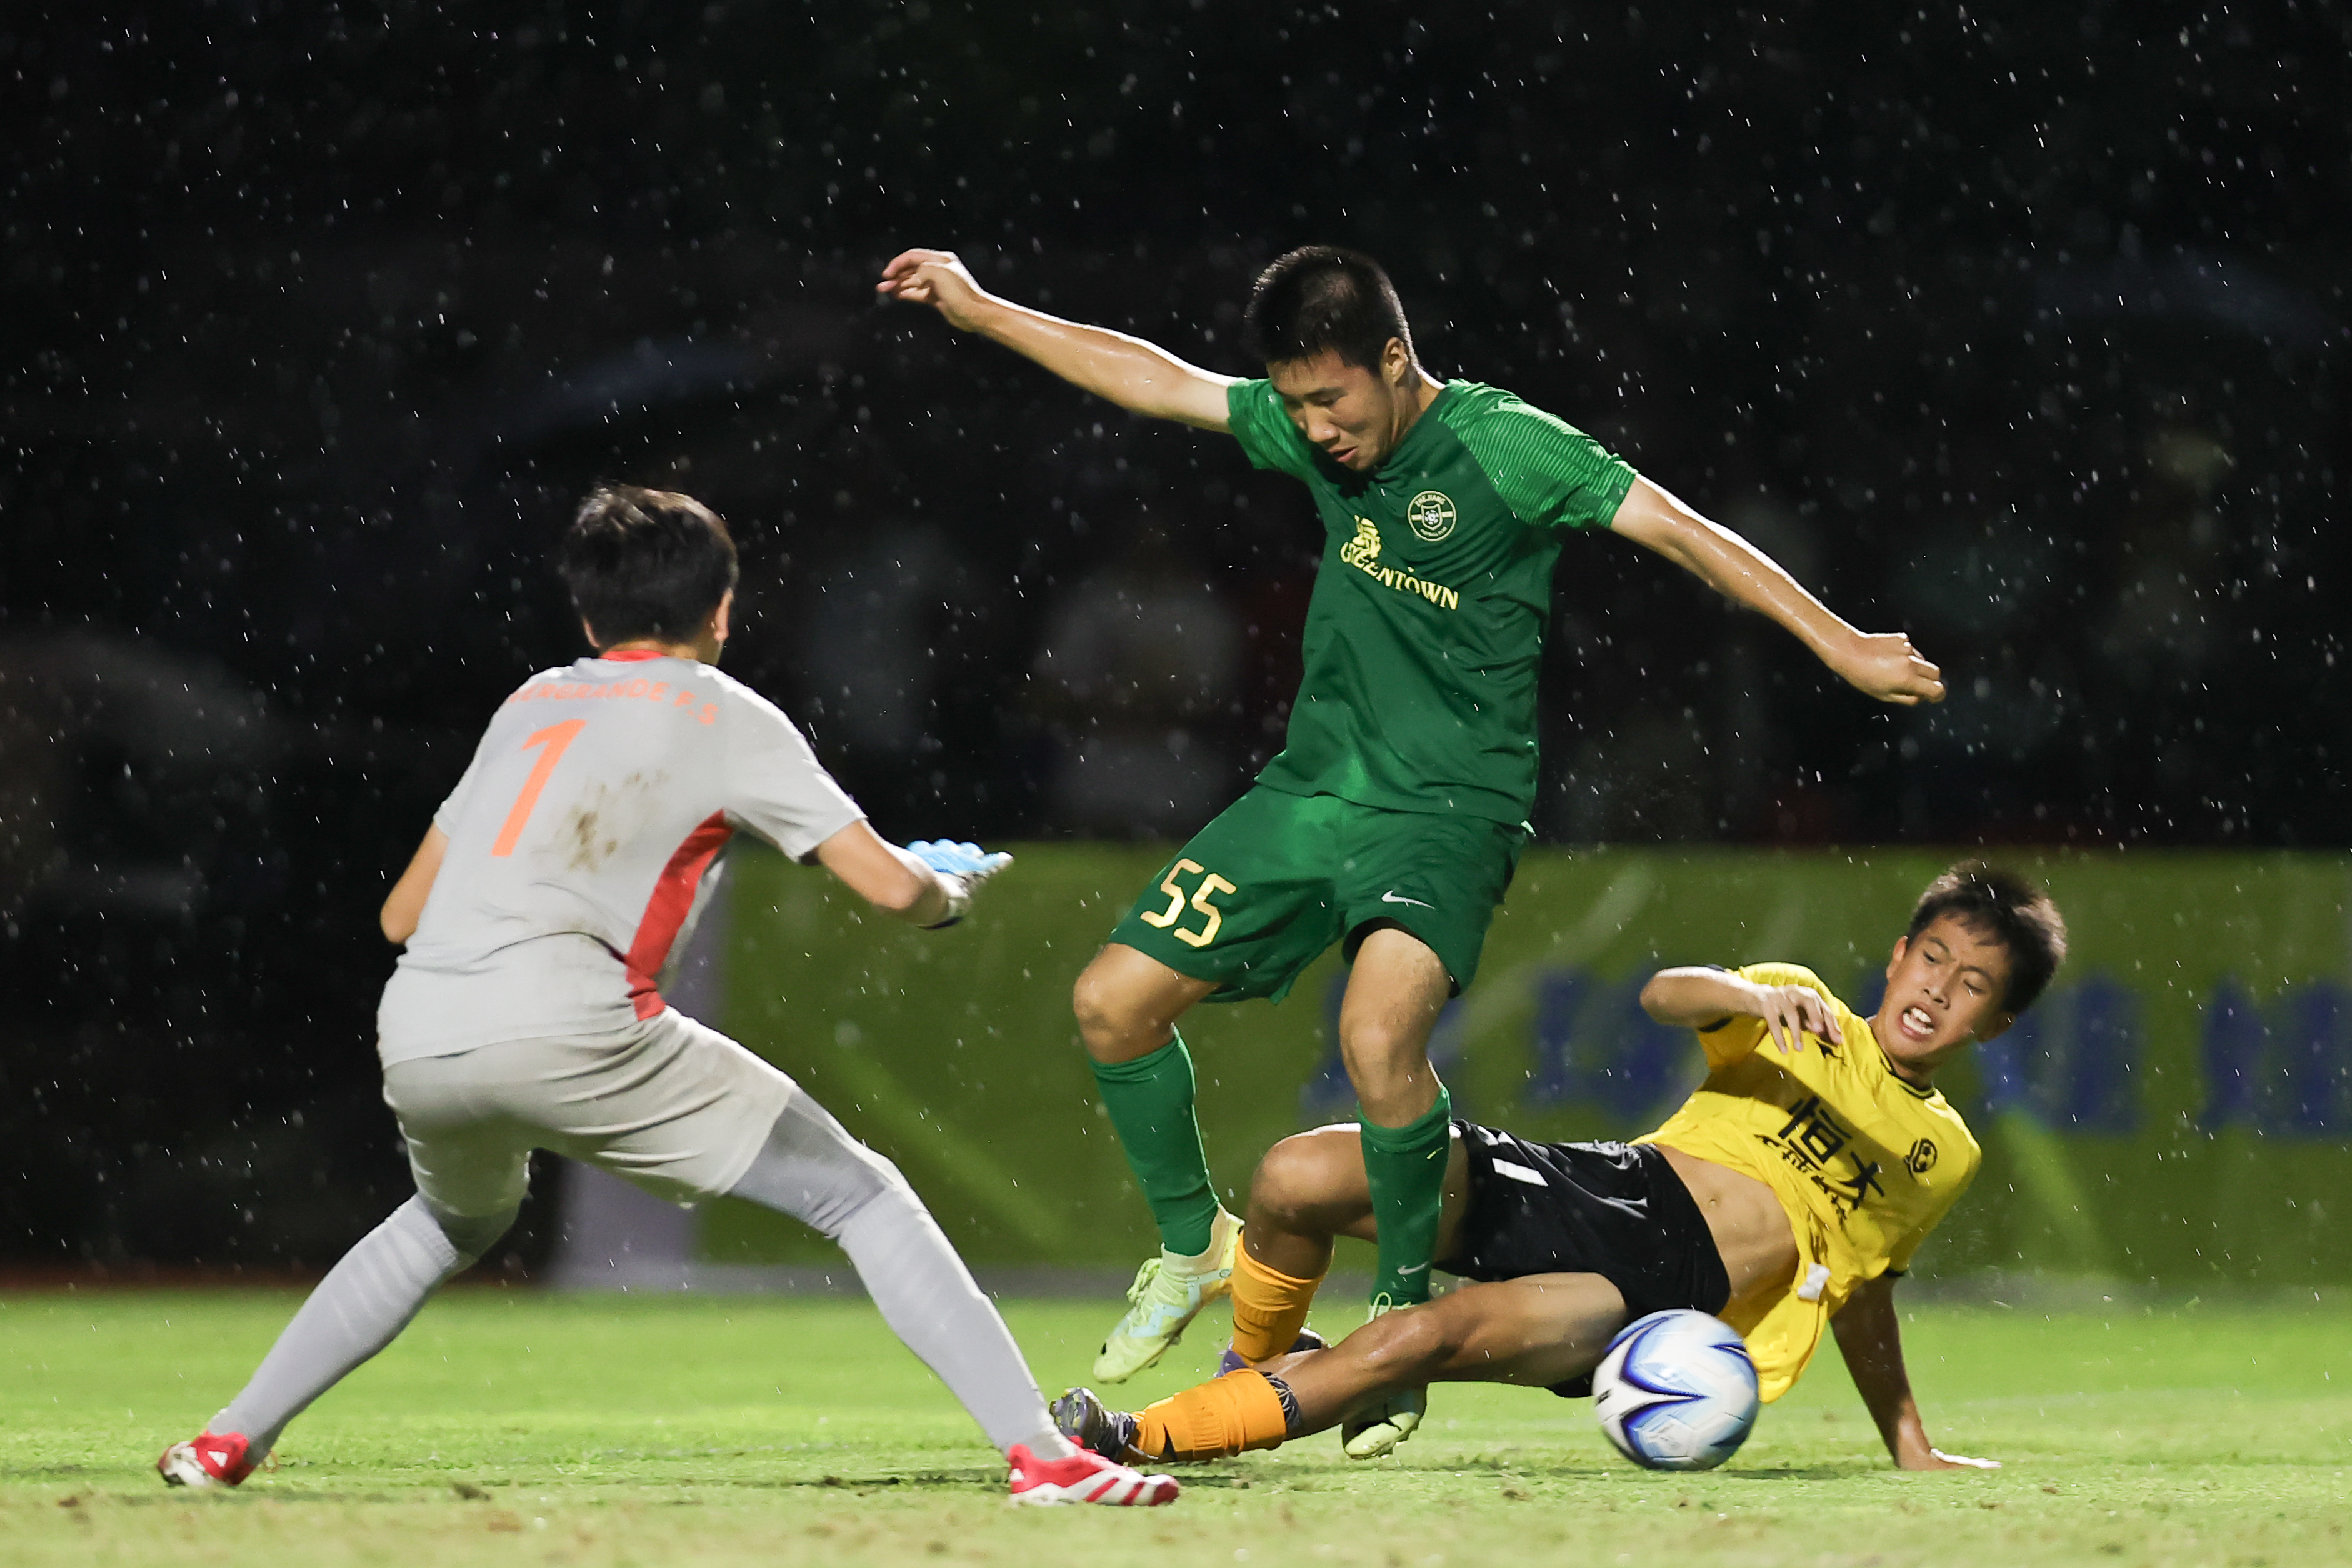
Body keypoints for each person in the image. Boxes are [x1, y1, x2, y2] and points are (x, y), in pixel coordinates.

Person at [878, 243, 1949, 1454]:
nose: (1314, 430)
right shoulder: (1312, 432)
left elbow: (1684, 531)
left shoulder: (1506, 446)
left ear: (1394, 360)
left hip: (1450, 808)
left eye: (1331, 400)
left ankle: (1395, 1304)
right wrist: (983, 310)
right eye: (1295, 404)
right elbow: (1159, 380)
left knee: (1376, 1036)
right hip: (1312, 791)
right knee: (1109, 1003)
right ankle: (1192, 1246)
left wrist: (1840, 643)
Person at [157, 486, 1179, 1509]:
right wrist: (942, 891)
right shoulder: (727, 713)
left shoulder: (532, 702)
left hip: (421, 1023)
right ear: (722, 608)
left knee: (447, 1221)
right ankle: (1043, 1455)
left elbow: (399, 914)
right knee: (860, 1194)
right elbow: (888, 887)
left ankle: (226, 1438)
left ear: (587, 614)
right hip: (574, 1016)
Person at [1050, 862, 2063, 1471]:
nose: (1942, 987)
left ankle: (1133, 1437)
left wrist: (1909, 1442)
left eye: (1975, 983)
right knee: (1292, 1177)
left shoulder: (1945, 1155)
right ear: (1899, 954)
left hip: (1655, 1289)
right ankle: (1252, 1371)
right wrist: (1751, 998)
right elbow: (1667, 994)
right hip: (1601, 1178)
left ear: (1999, 1021)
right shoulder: (1798, 1009)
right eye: (1935, 956)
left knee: (1417, 1336)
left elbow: (1863, 1292)